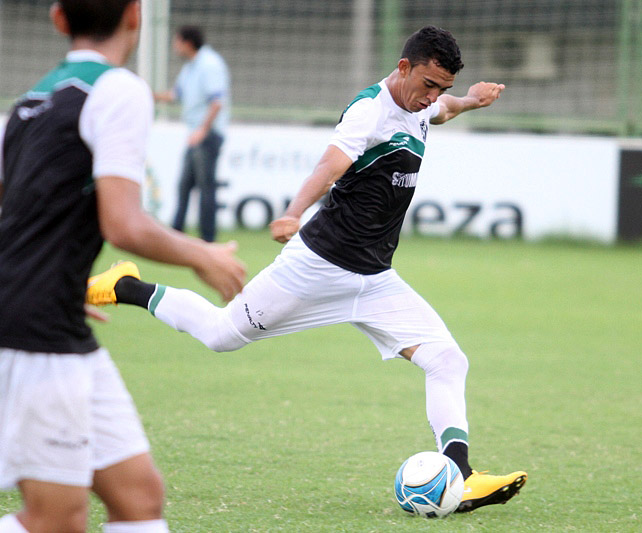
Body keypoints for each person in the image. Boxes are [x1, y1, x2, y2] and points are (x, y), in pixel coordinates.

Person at [88, 26, 526, 513]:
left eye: (440, 87)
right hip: (316, 268)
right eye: (428, 84)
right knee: (219, 334)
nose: (431, 97)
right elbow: (330, 166)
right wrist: (294, 211)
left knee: (448, 360)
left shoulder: (424, 104)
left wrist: (467, 99)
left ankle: (462, 477)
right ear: (403, 68)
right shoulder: (369, 112)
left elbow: (441, 112)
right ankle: (124, 285)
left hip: (375, 279)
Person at [0, 1, 246, 532]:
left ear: (58, 18)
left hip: (51, 319)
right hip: (36, 331)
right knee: (55, 520)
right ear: (136, 16)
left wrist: (52, 284)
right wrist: (201, 253)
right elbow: (124, 225)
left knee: (139, 499)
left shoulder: (29, 102)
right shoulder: (119, 89)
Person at [154, 25, 230, 243]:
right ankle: (175, 234)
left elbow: (217, 102)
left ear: (187, 43)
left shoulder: (209, 64)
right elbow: (175, 94)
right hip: (196, 134)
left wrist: (203, 130)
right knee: (184, 185)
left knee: (206, 188)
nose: (174, 47)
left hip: (207, 134)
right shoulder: (190, 68)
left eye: (176, 42)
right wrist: (149, 95)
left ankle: (208, 239)